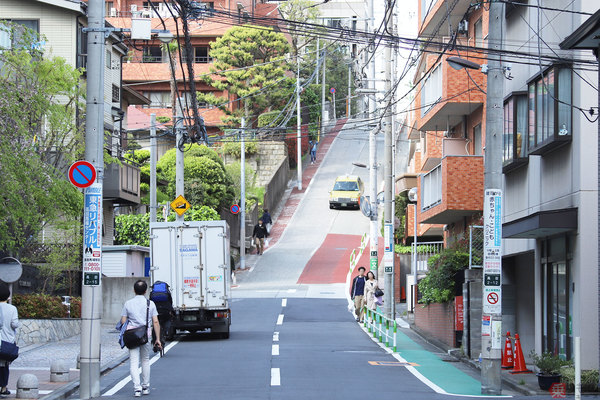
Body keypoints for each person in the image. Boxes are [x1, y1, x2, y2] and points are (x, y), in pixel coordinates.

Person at [120, 280, 162, 397]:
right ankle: (146, 386)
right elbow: (156, 322)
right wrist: (157, 339)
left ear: (134, 290)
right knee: (145, 360)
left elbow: (123, 321)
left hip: (132, 336)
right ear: (145, 291)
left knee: (133, 362)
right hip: (145, 335)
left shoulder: (128, 303)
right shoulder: (150, 304)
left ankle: (136, 388)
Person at [0, 284, 18, 397]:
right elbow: (14, 324)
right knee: (4, 364)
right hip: (6, 342)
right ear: (8, 297)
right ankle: (3, 388)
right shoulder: (12, 309)